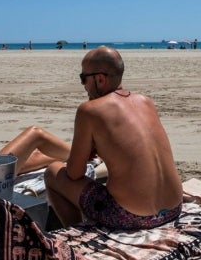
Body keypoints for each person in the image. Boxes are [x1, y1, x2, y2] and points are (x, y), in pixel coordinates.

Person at [44, 46, 183, 229]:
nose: (83, 85)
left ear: (100, 79)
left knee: (53, 171)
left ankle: (76, 233)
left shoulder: (89, 110)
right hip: (174, 207)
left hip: (133, 216)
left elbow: (74, 174)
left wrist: (85, 154)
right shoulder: (146, 101)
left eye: (83, 78)